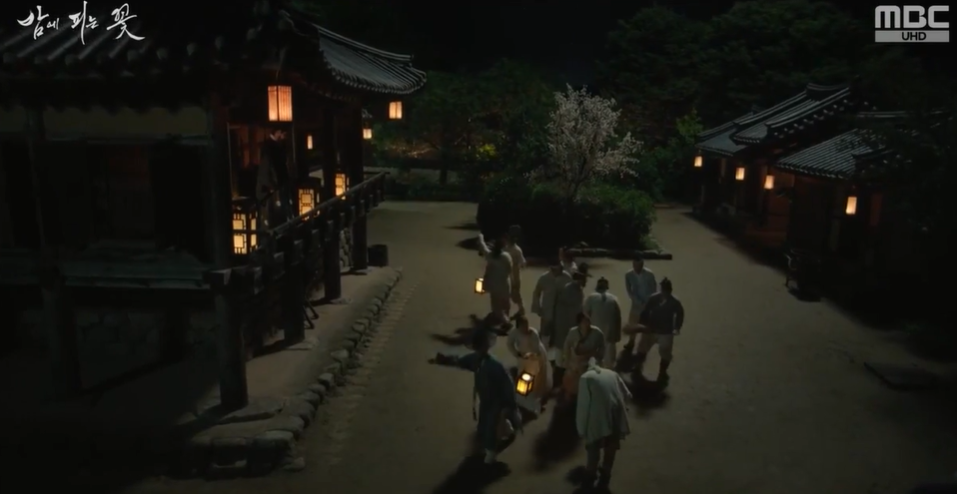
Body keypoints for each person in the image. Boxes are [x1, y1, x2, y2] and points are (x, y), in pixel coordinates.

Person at [431, 328, 522, 468]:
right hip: (485, 400)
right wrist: (445, 360)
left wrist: (510, 405)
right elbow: (461, 361)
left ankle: (491, 453)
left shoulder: (495, 366)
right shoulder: (475, 359)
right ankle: (507, 429)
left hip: (496, 402)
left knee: (490, 425)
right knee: (486, 423)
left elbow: (507, 386)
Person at [576, 358, 631, 489]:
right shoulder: (612, 373)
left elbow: (583, 406)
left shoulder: (585, 378)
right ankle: (606, 473)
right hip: (616, 413)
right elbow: (627, 394)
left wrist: (581, 428)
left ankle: (591, 474)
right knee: (611, 445)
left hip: (597, 417)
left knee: (593, 446)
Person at [633, 277, 684, 382]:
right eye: (663, 290)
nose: (664, 292)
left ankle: (662, 372)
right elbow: (645, 311)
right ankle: (638, 367)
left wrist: (677, 327)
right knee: (642, 349)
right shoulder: (653, 298)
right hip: (651, 329)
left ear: (670, 290)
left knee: (665, 353)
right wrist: (642, 325)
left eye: (666, 290)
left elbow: (680, 315)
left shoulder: (675, 302)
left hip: (666, 331)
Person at [505, 315, 552, 414]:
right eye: (523, 326)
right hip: (523, 357)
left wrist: (529, 355)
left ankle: (536, 396)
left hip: (535, 357)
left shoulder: (533, 334)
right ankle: (522, 395)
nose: (526, 328)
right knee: (522, 375)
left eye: (526, 325)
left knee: (537, 378)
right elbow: (509, 344)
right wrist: (517, 353)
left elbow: (536, 350)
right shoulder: (514, 333)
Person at [530, 258, 573, 362]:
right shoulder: (544, 278)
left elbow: (572, 293)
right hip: (547, 310)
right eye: (559, 268)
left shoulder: (567, 277)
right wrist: (537, 307)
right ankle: (542, 355)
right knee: (545, 333)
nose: (561, 270)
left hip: (561, 312)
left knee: (560, 335)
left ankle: (560, 358)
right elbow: (537, 292)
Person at [551, 266, 589, 379]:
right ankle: (560, 372)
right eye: (584, 279)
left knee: (563, 346)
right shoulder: (572, 291)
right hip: (566, 322)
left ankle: (561, 369)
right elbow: (575, 309)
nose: (586, 281)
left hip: (565, 322)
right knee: (564, 346)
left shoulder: (572, 289)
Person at [479, 229, 526, 317]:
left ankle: (520, 309)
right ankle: (504, 313)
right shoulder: (506, 250)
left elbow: (522, 262)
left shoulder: (516, 250)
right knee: (509, 295)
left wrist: (517, 265)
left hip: (514, 276)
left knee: (515, 294)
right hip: (507, 276)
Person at [561, 312, 605, 401]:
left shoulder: (597, 333)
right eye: (584, 322)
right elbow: (567, 346)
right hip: (576, 362)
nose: (587, 323)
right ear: (579, 324)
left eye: (588, 321)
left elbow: (602, 347)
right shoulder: (573, 332)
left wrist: (598, 358)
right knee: (570, 381)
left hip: (591, 362)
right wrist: (567, 361)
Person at [622, 254, 657, 360]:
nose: (637, 268)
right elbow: (629, 289)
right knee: (633, 322)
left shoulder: (649, 274)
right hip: (636, 304)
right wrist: (636, 300)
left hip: (647, 304)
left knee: (645, 325)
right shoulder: (629, 275)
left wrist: (649, 302)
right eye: (635, 265)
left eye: (639, 265)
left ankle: (642, 347)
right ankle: (631, 342)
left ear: (642, 264)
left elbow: (654, 289)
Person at [584, 277, 623, 368]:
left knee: (594, 359)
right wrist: (617, 335)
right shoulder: (614, 299)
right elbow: (618, 317)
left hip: (595, 332)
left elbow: (585, 314)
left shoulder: (591, 298)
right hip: (610, 333)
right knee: (609, 360)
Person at [257, 128, 293, 225]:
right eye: (280, 133)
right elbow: (268, 168)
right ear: (276, 132)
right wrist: (272, 184)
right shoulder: (268, 147)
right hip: (275, 182)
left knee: (283, 204)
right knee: (275, 207)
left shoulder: (277, 145)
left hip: (280, 180)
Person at [480, 236, 514, 324]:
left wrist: (481, 239)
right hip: (505, 283)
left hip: (494, 285)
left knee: (496, 306)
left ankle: (505, 321)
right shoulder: (506, 256)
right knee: (506, 303)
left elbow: (484, 248)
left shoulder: (490, 256)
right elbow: (510, 269)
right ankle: (506, 317)